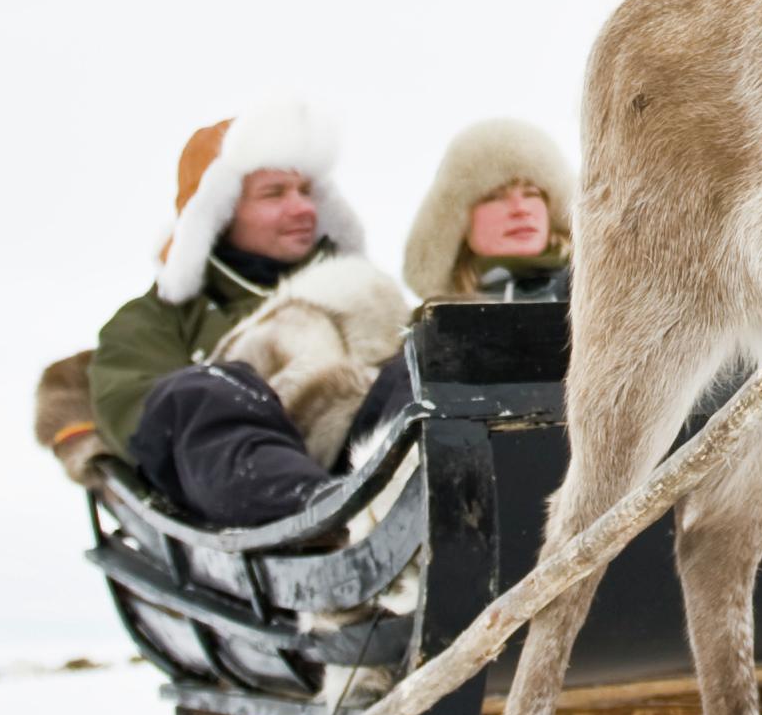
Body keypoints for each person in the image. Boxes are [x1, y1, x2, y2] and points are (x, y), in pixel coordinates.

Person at [69, 99, 411, 529]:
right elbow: (144, 425)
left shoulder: (364, 297)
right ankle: (312, 514)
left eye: (306, 192)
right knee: (200, 391)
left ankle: (443, 507)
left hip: (362, 458)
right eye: (274, 194)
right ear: (219, 212)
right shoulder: (152, 322)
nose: (302, 209)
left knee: (427, 364)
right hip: (249, 492)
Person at [394, 118, 577, 302]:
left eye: (531, 194)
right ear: (460, 225)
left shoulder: (600, 303)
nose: (520, 209)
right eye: (494, 197)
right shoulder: (431, 325)